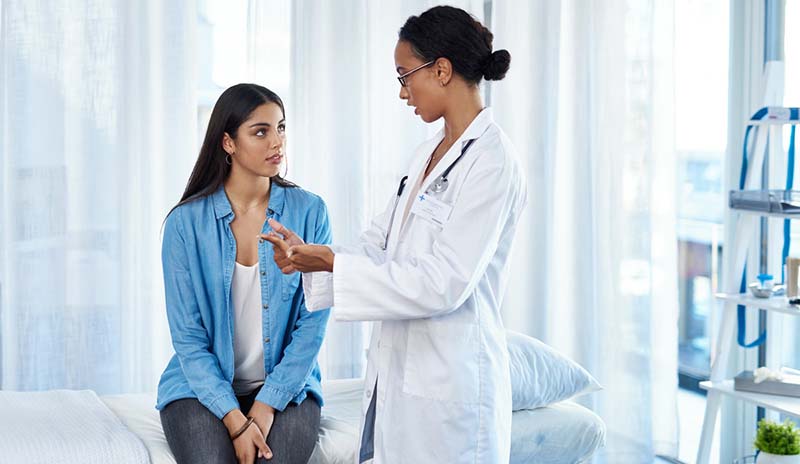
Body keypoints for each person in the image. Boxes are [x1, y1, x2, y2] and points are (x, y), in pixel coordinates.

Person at [264, 6, 527, 463]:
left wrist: (331, 264)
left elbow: (442, 282)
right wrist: (314, 255)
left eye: (406, 76)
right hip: (400, 380)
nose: (403, 92)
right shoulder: (426, 154)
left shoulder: (493, 161)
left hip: (451, 387)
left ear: (441, 70)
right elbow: (378, 246)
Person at [156, 83, 331, 464]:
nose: (277, 142)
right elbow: (188, 338)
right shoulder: (185, 225)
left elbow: (313, 322)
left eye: (281, 128)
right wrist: (235, 421)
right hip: (198, 390)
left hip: (287, 388)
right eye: (261, 131)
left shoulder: (310, 212)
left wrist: (267, 405)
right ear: (228, 143)